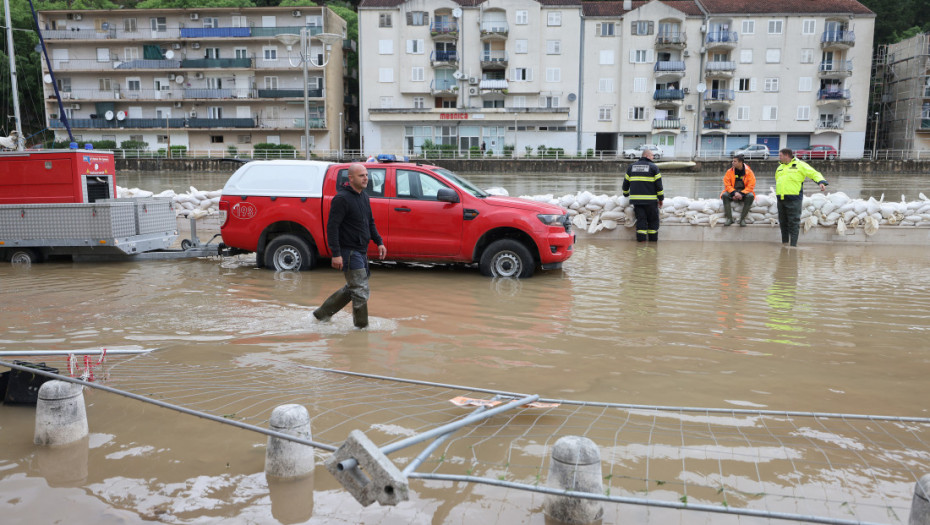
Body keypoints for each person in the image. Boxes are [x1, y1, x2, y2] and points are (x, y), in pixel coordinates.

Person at [313, 163, 387, 328]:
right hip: (348, 251)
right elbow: (332, 227)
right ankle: (361, 328)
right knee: (360, 289)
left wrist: (379, 241)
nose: (366, 178)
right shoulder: (341, 199)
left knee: (354, 286)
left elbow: (370, 222)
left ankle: (322, 313)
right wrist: (336, 253)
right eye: (361, 175)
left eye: (366, 175)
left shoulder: (364, 196)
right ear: (351, 178)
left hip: (361, 250)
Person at [775, 148, 828, 247]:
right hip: (781, 199)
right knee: (783, 222)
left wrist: (821, 182)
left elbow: (813, 173)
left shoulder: (800, 165)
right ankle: (785, 243)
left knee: (794, 222)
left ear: (787, 155)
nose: (779, 157)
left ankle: (793, 245)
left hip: (794, 199)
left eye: (781, 155)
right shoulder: (780, 167)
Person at [623, 148, 664, 242]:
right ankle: (652, 244)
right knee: (653, 221)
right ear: (646, 156)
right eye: (652, 155)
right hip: (651, 202)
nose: (653, 157)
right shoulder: (654, 167)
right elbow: (659, 186)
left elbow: (625, 183)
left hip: (637, 202)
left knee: (641, 221)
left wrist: (625, 194)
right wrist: (661, 199)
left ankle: (641, 245)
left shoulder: (631, 167)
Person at [720, 154, 756, 226]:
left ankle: (742, 219)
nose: (732, 162)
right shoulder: (729, 171)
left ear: (740, 162)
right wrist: (734, 193)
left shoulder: (749, 172)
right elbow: (727, 185)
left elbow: (751, 186)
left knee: (750, 196)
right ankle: (729, 219)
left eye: (735, 161)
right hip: (733, 191)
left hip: (744, 192)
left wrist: (742, 194)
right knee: (724, 195)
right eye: (733, 161)